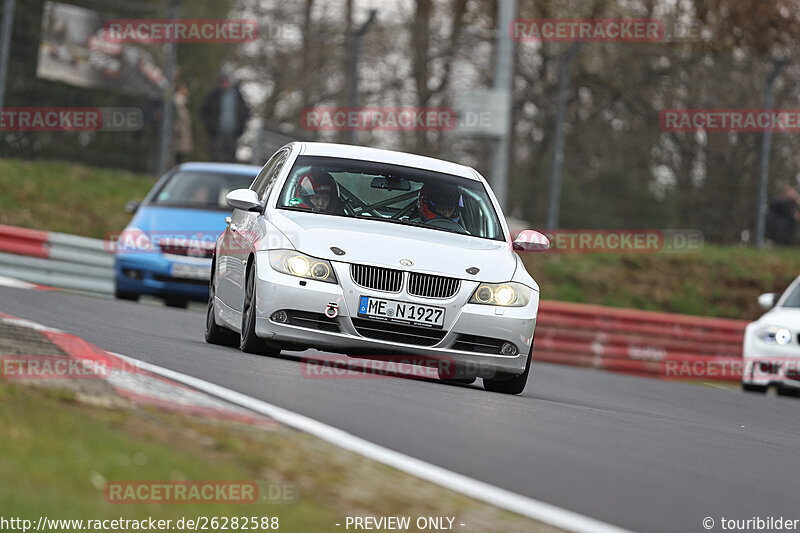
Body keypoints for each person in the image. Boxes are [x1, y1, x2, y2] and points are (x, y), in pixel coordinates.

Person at [200, 69, 250, 162]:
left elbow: (246, 113)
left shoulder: (238, 97)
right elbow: (204, 112)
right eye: (222, 81)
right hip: (217, 135)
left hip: (233, 135)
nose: (224, 83)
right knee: (215, 158)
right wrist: (211, 127)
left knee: (231, 159)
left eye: (226, 80)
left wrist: (240, 128)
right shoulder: (213, 95)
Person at [172, 82, 193, 165]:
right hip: (177, 134)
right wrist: (177, 129)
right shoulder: (177, 102)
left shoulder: (183, 102)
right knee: (175, 155)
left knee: (180, 156)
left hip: (182, 133)